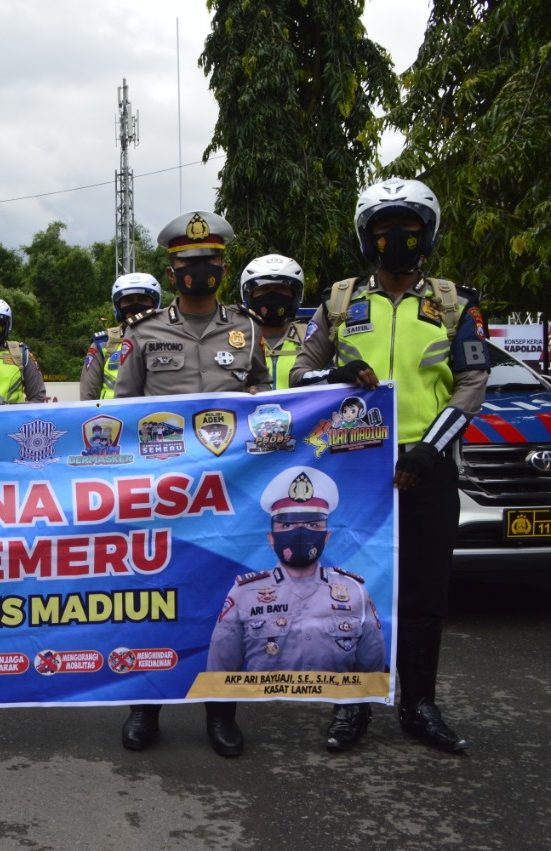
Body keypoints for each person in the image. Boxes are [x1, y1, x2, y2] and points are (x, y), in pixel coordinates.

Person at [291, 178, 489, 753]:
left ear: (426, 235)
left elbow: (473, 383)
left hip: (428, 466)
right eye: (382, 231)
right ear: (366, 238)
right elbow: (297, 376)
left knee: (426, 594)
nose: (395, 240)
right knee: (351, 593)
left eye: (406, 230)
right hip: (355, 472)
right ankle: (350, 706)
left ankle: (419, 705)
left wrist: (430, 448)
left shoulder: (455, 303)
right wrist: (336, 376)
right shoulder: (339, 302)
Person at [114, 211, 271, 758]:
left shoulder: (247, 329)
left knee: (222, 602)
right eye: (188, 264)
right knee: (152, 600)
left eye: (208, 263)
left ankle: (221, 713)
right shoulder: (144, 331)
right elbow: (121, 412)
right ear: (173, 269)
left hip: (230, 498)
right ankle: (144, 708)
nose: (199, 271)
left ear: (222, 268)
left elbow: (268, 403)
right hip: (161, 495)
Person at [207, 466, 386, 748]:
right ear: (271, 537)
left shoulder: (353, 590)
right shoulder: (246, 592)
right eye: (287, 526)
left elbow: (371, 662)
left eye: (313, 525)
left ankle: (351, 713)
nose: (300, 532)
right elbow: (221, 661)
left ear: (326, 536)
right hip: (261, 702)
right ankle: (221, 719)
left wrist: (361, 701)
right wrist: (220, 716)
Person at [80, 273, 161, 400]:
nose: (136, 306)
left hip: (156, 418)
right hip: (112, 418)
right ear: (117, 306)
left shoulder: (168, 339)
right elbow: (87, 397)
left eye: (142, 299)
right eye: (128, 301)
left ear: (155, 303)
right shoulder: (103, 344)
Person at [240, 254, 307, 389]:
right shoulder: (235, 340)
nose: (272, 297)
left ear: (295, 296)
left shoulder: (311, 338)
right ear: (249, 295)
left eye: (281, 289)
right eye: (264, 289)